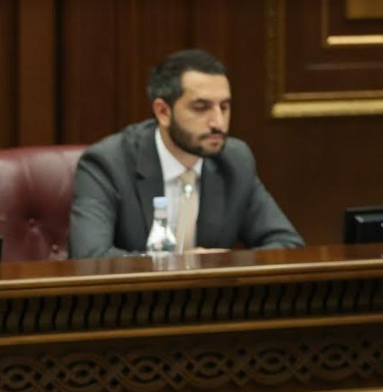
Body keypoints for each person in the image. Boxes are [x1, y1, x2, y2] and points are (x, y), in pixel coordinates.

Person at [69, 49, 303, 259]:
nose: (218, 122)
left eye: (224, 107)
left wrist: (221, 264)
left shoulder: (235, 161)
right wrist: (176, 266)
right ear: (163, 112)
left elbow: (288, 246)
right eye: (201, 108)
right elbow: (89, 258)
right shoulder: (108, 163)